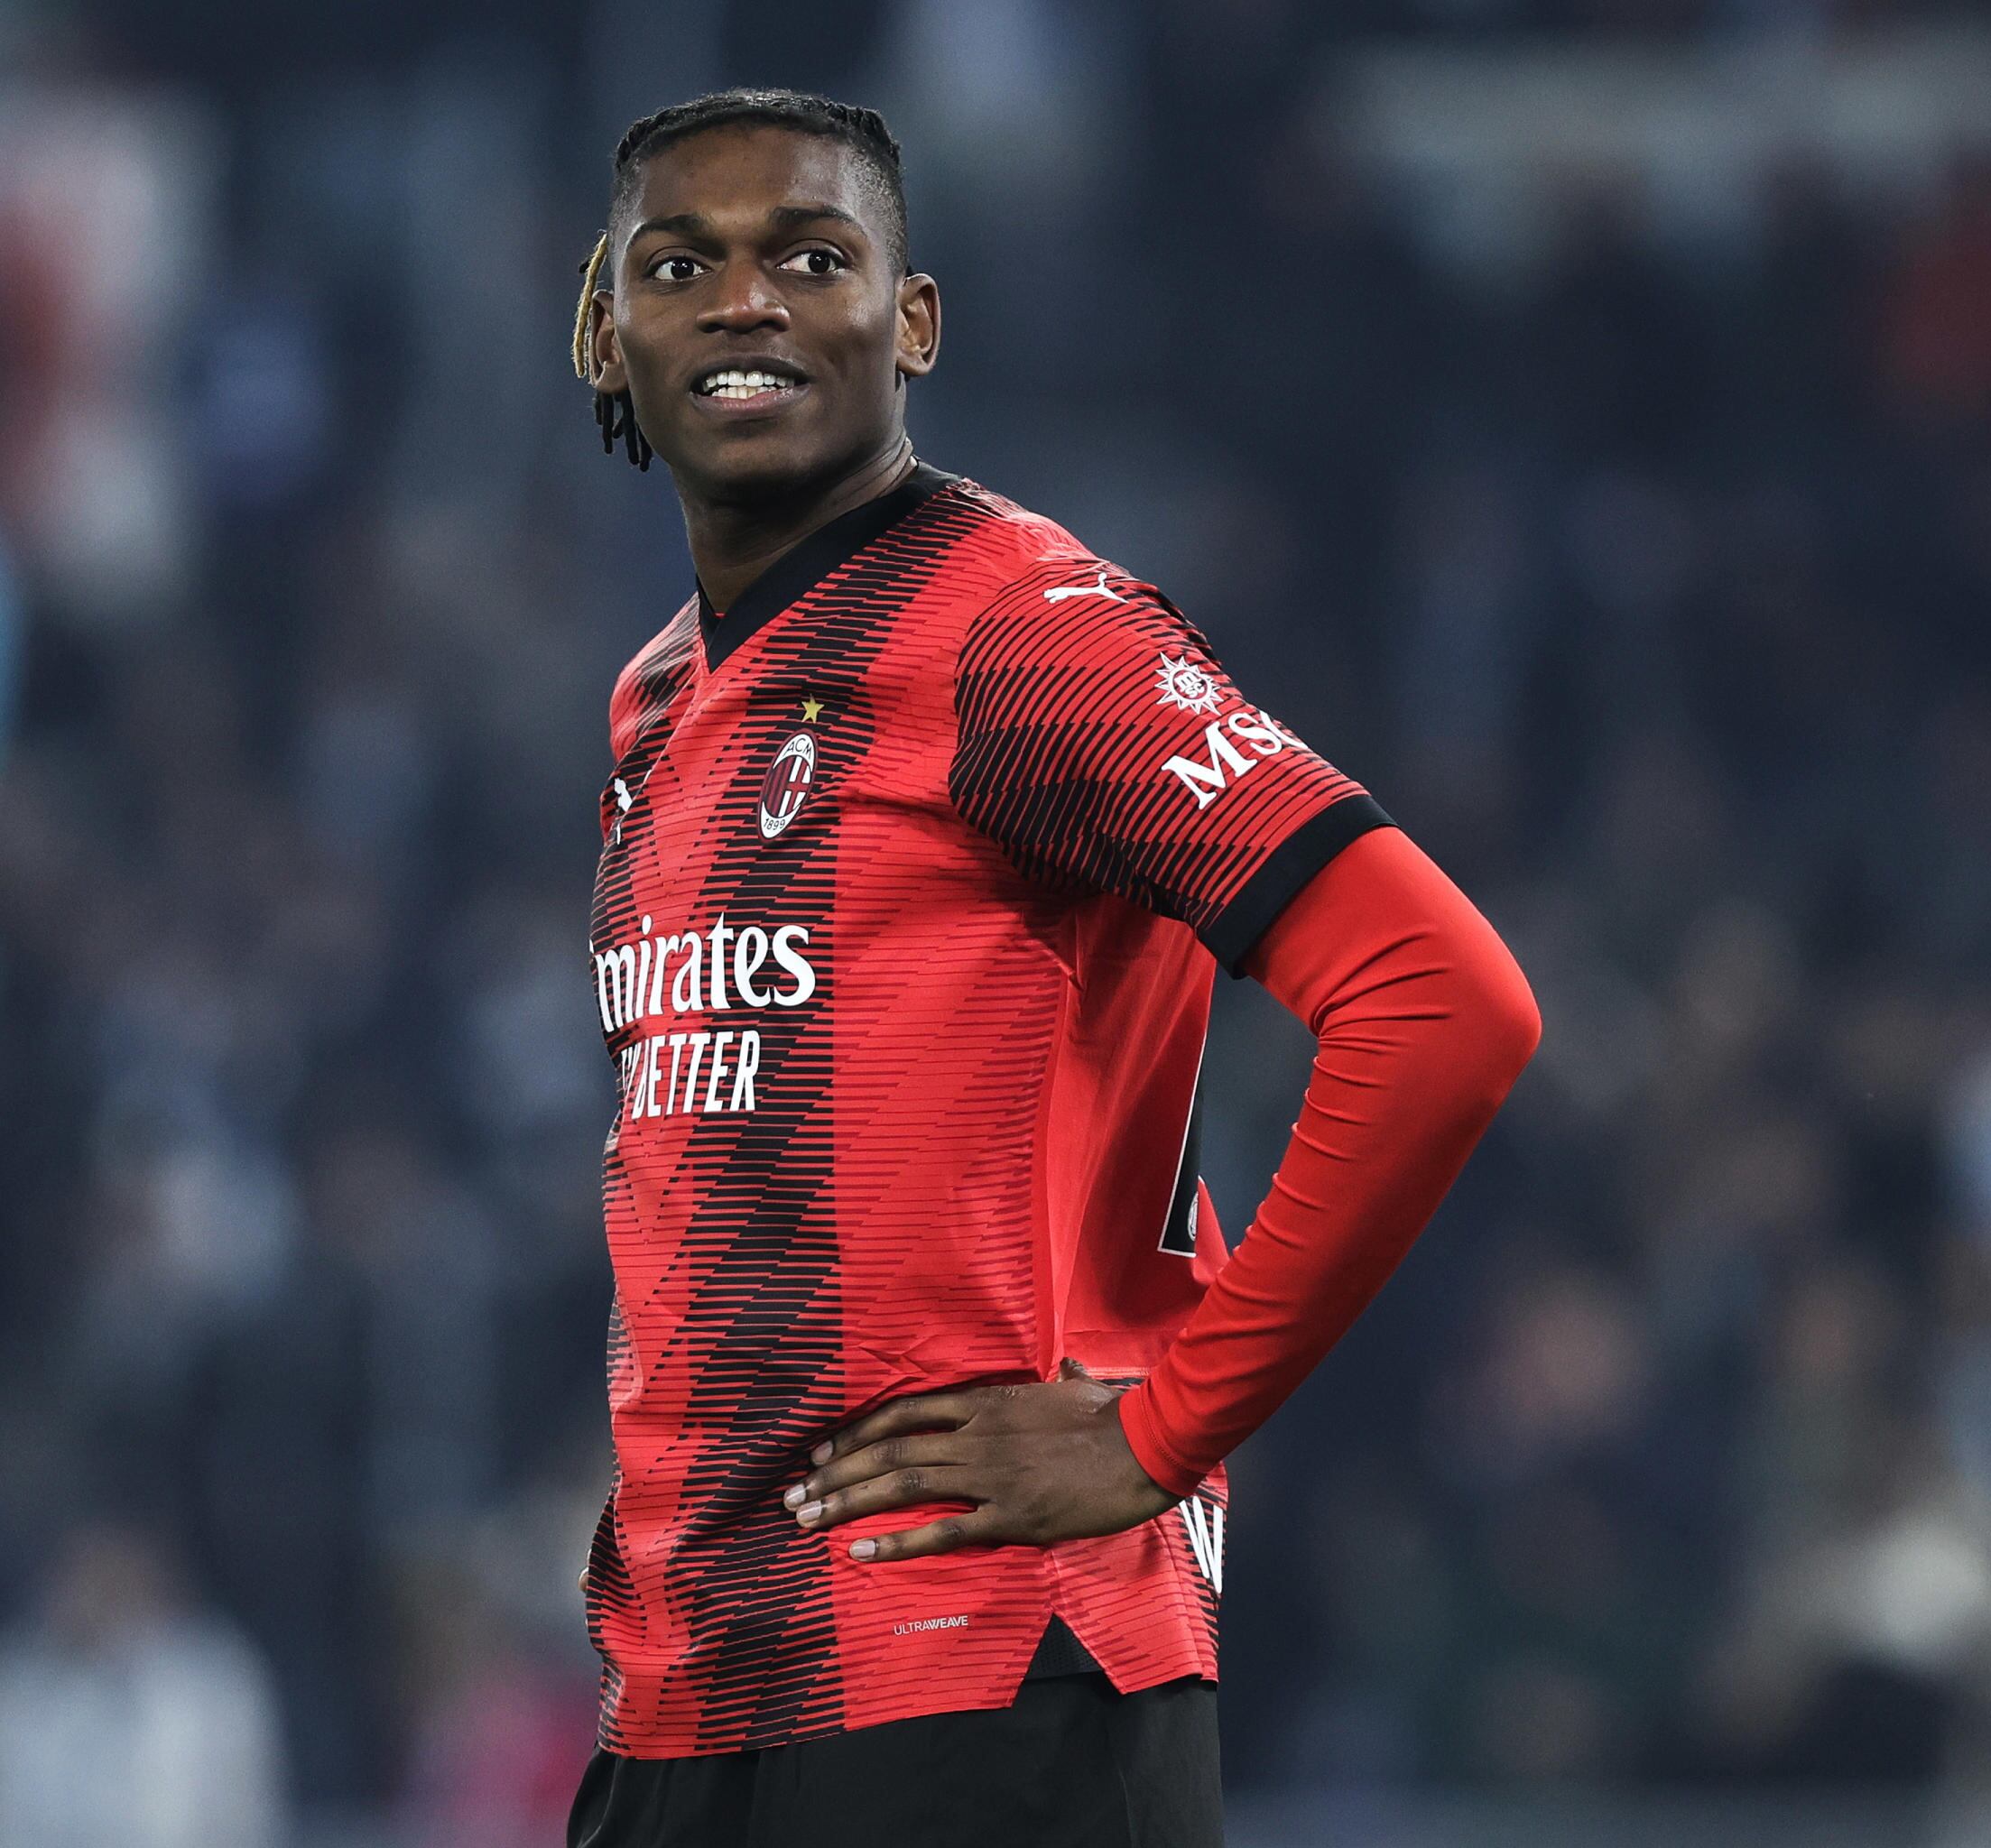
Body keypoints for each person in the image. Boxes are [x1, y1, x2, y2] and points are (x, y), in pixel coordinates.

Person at [560, 89, 1541, 1846]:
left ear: (911, 321)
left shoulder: (1021, 632)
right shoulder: (648, 706)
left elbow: (1445, 1000)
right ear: (601, 328)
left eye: (811, 257)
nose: (745, 302)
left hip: (990, 1677)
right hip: (691, 1692)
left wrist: (1162, 1427)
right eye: (681, 263)